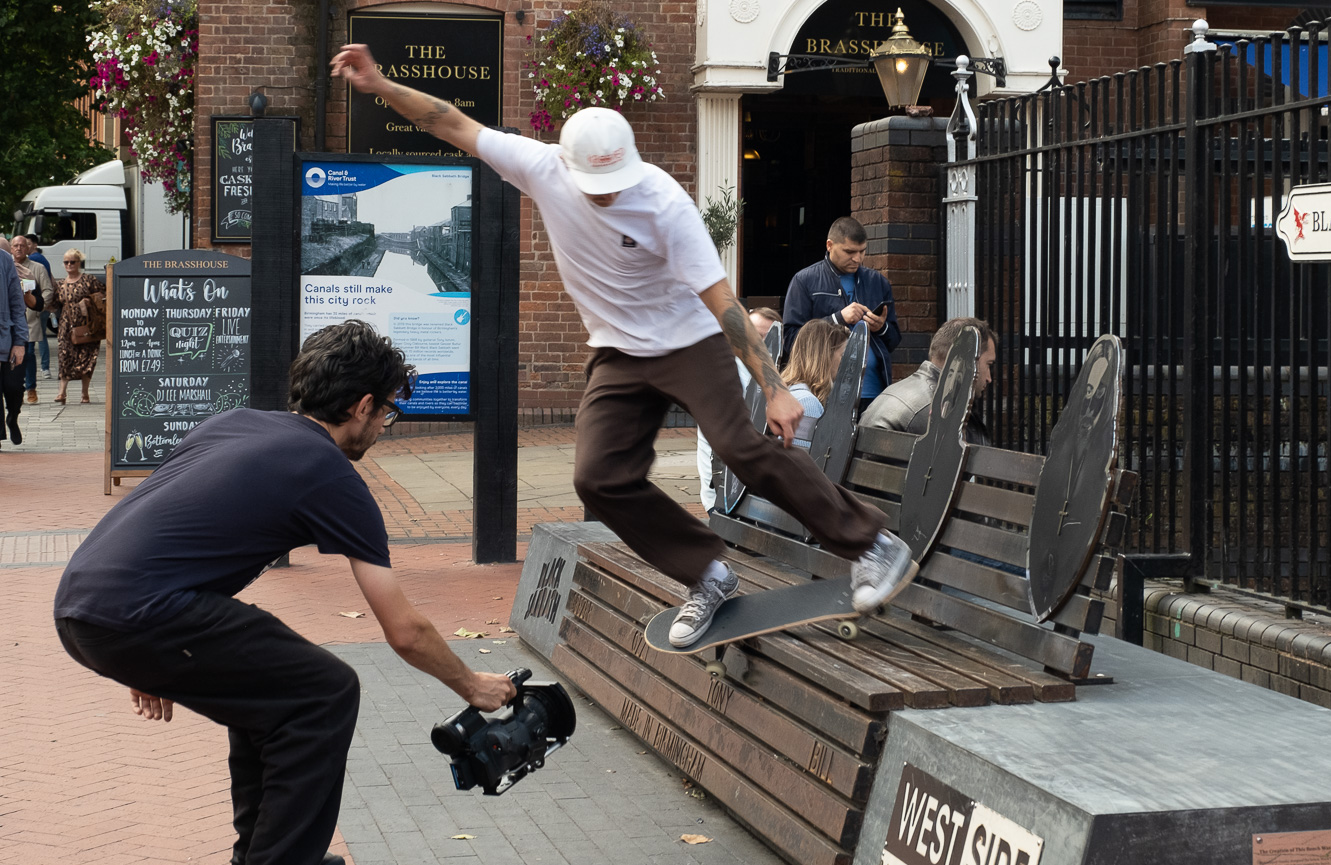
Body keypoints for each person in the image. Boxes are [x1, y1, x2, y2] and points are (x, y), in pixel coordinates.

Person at [332, 45, 917, 648]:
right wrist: (379, 84)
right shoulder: (540, 165)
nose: (607, 196)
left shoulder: (663, 201)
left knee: (741, 448)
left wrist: (773, 387)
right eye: (595, 187)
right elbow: (449, 121)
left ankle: (873, 544)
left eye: (614, 186)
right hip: (617, 352)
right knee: (598, 476)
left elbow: (723, 303)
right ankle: (708, 574)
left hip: (689, 341)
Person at [54, 320, 517, 865]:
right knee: (325, 692)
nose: (385, 427)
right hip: (139, 614)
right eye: (388, 413)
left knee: (273, 698)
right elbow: (404, 631)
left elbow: (169, 529)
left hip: (84, 599)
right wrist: (473, 686)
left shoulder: (237, 423)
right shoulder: (328, 472)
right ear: (362, 406)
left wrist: (145, 658)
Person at [782, 217, 902, 414]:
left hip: (874, 393)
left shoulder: (878, 282)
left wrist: (881, 327)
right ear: (829, 245)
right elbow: (791, 340)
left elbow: (894, 340)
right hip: (825, 392)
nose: (858, 258)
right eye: (849, 252)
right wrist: (837, 319)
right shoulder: (804, 281)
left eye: (862, 251)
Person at [860, 316, 997, 444]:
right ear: (964, 359)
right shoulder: (941, 409)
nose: (989, 378)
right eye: (988, 364)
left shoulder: (895, 391)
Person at [696, 306, 774, 511]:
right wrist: (711, 500)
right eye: (752, 334)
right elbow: (707, 443)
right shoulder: (721, 374)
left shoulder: (782, 377)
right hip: (724, 490)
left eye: (765, 337)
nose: (758, 343)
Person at [779, 320, 848, 449]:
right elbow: (801, 462)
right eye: (843, 355)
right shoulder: (807, 403)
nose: (847, 363)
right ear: (826, 356)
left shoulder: (790, 391)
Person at [54, 248, 102, 405]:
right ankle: (62, 393)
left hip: (87, 325)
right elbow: (53, 302)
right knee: (64, 356)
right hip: (66, 325)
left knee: (87, 358)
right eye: (66, 262)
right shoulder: (60, 284)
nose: (69, 265)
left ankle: (85, 393)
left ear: (79, 262)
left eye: (72, 262)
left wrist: (89, 301)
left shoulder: (89, 280)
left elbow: (103, 296)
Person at [13, 235, 53, 408]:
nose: (19, 248)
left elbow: (48, 291)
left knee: (28, 354)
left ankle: (31, 388)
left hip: (30, 320)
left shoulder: (37, 268)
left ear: (28, 248)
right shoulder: (7, 267)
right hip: (11, 322)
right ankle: (16, 389)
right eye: (16, 245)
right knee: (13, 357)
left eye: (23, 245)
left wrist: (39, 307)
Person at [0, 240, 23, 446]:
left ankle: (13, 416)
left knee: (14, 387)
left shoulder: (5, 260)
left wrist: (20, 341)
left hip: (6, 338)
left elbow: (17, 303)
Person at [24, 236, 55, 376]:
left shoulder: (34, 260)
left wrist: (41, 303)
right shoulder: (43, 259)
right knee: (40, 336)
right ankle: (45, 368)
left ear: (34, 245)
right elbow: (51, 279)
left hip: (36, 305)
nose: (25, 247)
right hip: (41, 303)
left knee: (36, 337)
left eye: (27, 244)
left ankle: (44, 368)